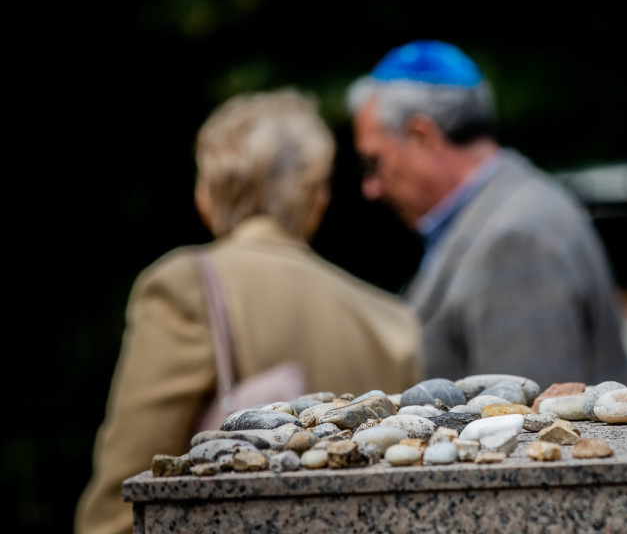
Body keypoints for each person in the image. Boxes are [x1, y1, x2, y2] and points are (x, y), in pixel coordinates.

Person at [75, 88, 423, 534]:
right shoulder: (391, 320)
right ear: (317, 198)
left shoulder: (185, 285)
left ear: (207, 193)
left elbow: (125, 494)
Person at [345, 40, 627, 389]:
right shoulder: (512, 209)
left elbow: (532, 415)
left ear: (422, 136)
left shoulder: (515, 240)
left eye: (373, 162)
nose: (371, 188)